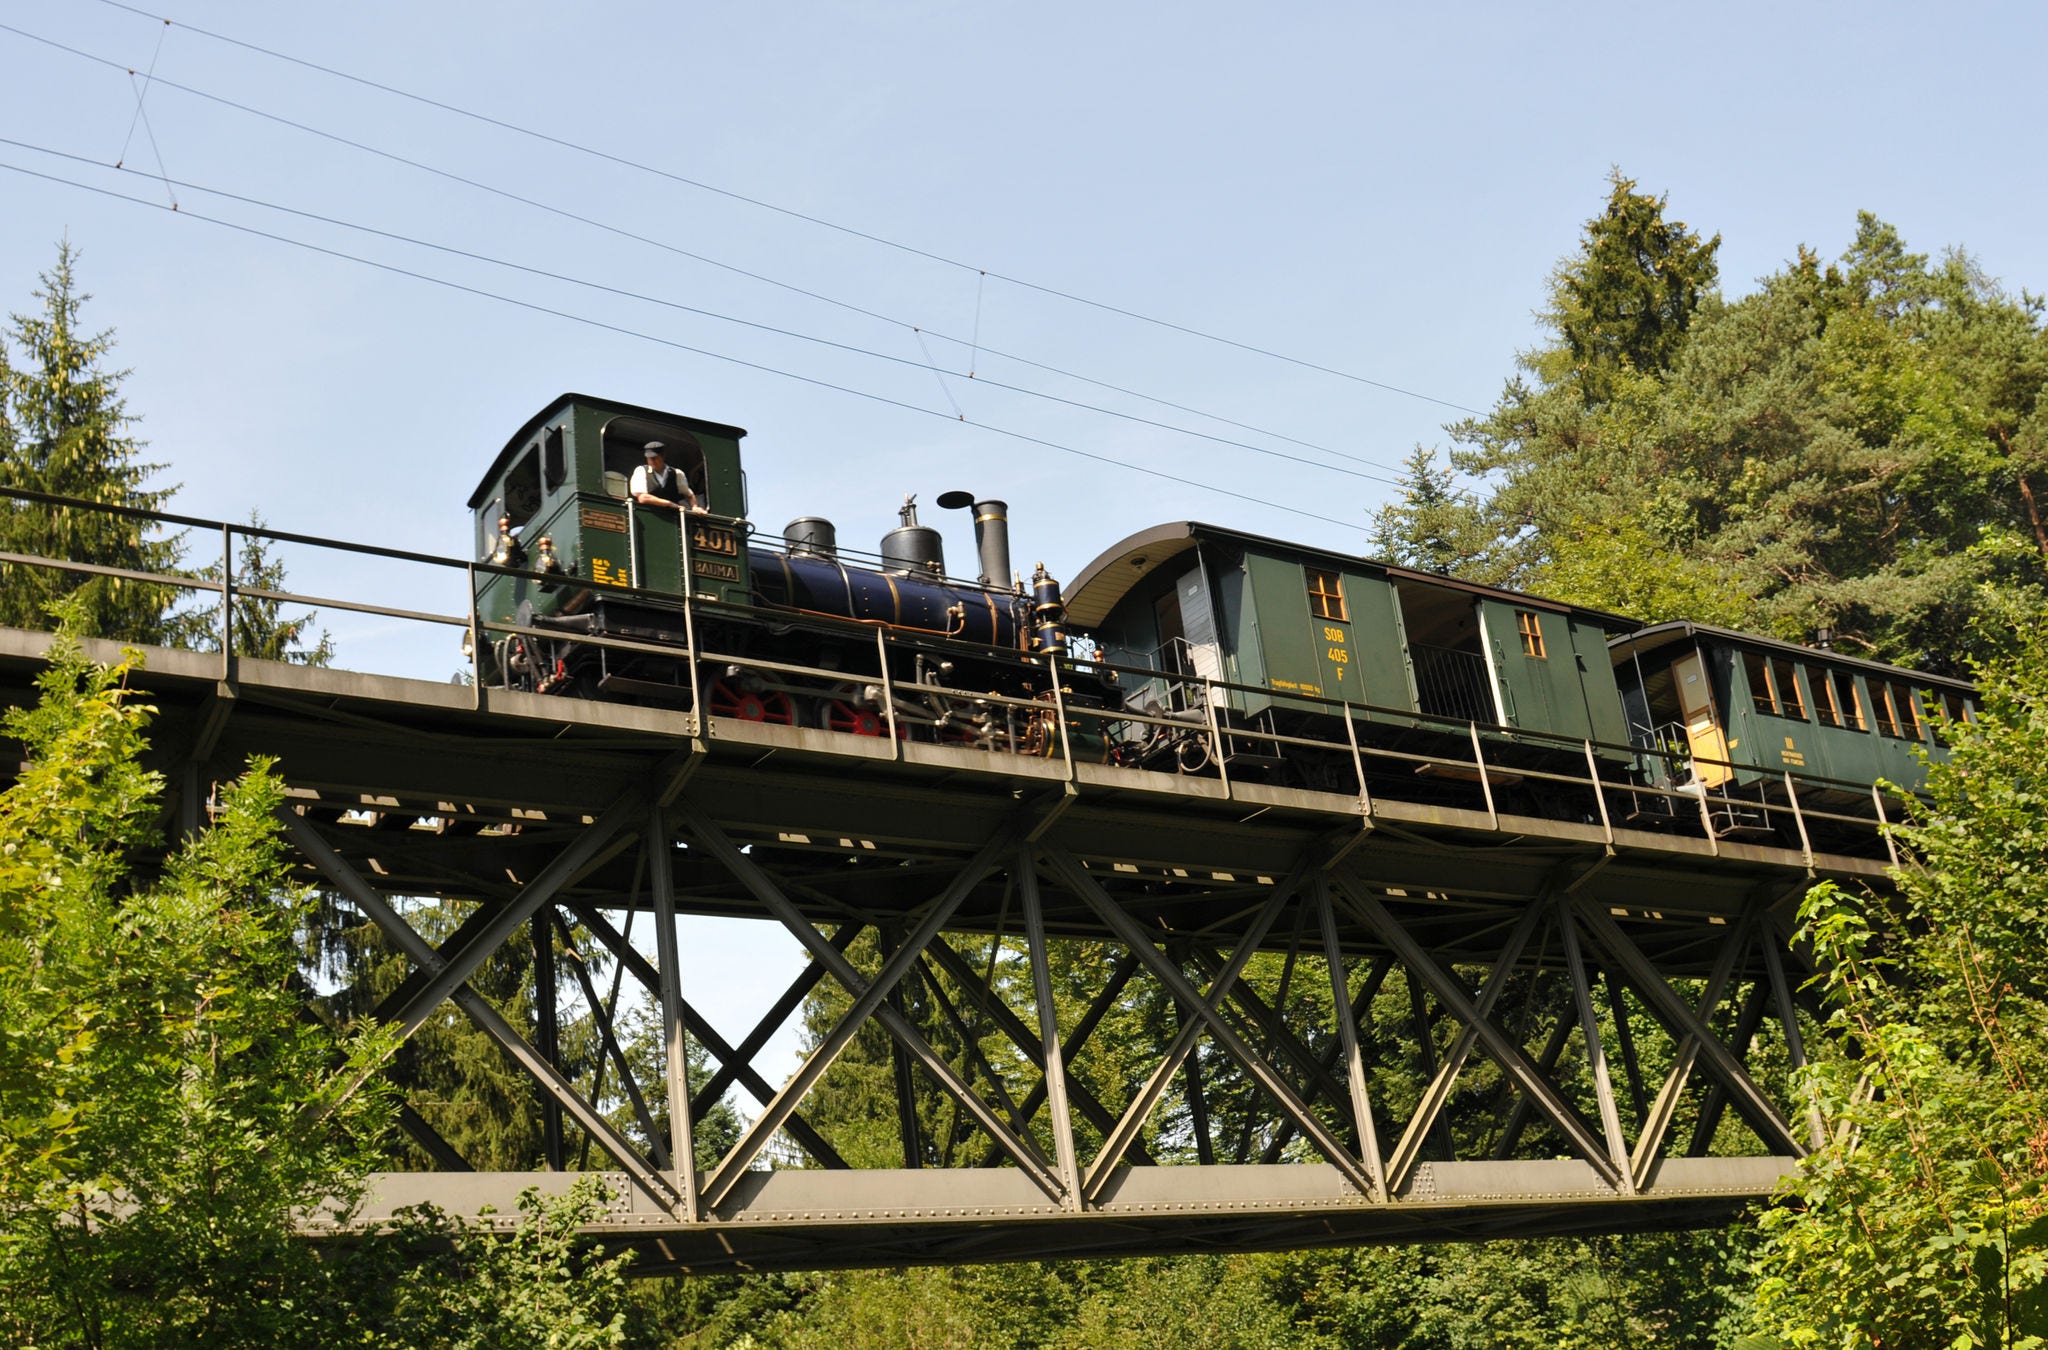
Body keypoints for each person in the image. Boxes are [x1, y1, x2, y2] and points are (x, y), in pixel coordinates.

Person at [629, 441, 702, 513]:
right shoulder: (641, 471)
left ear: (662, 456)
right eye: (649, 458)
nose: (652, 461)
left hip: (672, 518)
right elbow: (643, 498)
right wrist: (668, 503)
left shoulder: (676, 473)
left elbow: (689, 495)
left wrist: (695, 507)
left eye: (655, 458)